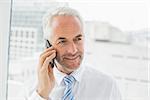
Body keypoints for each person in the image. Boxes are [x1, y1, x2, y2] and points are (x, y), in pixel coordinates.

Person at [28, 7, 121, 100]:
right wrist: (42, 95)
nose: (73, 50)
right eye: (62, 41)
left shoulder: (107, 86)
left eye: (78, 39)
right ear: (48, 45)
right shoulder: (32, 89)